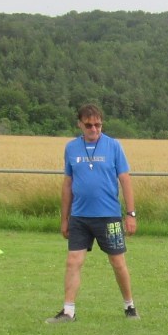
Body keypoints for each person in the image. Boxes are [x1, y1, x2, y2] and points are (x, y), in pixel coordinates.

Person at [46, 103, 139, 323]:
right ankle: (68, 311)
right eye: (89, 125)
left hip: (109, 216)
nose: (94, 129)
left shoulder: (114, 146)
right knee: (73, 261)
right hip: (79, 217)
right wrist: (64, 219)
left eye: (98, 125)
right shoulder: (71, 148)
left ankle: (129, 306)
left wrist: (131, 214)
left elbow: (125, 179)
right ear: (80, 124)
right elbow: (67, 184)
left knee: (117, 262)